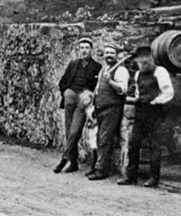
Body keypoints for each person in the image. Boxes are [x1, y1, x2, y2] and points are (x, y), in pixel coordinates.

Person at [119, 46, 174, 187]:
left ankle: (154, 178)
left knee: (154, 146)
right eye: (139, 59)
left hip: (155, 113)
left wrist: (156, 101)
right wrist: (136, 98)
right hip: (140, 112)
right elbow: (138, 91)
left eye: (145, 58)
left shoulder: (160, 72)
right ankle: (131, 176)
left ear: (150, 58)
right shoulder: (138, 74)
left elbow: (168, 92)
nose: (141, 61)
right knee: (133, 143)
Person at [54, 37, 102, 173]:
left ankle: (64, 159)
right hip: (70, 99)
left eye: (87, 48)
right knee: (69, 131)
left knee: (75, 131)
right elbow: (62, 82)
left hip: (83, 101)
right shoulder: (73, 64)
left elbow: (96, 87)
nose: (84, 50)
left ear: (91, 50)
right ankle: (73, 162)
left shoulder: (97, 67)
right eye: (82, 48)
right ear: (78, 50)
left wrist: (89, 94)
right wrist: (67, 93)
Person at [87, 45, 129, 180]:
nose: (109, 55)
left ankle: (101, 170)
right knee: (98, 138)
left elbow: (122, 89)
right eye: (107, 53)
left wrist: (110, 80)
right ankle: (96, 166)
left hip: (112, 108)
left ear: (116, 55)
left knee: (105, 139)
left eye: (112, 53)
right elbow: (98, 89)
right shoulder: (104, 69)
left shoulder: (121, 70)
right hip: (100, 107)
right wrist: (93, 106)